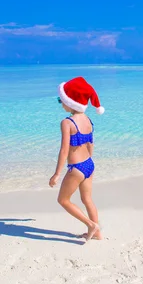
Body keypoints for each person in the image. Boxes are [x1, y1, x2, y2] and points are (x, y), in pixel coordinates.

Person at [49, 77, 105, 241]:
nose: (61, 104)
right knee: (87, 199)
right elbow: (91, 144)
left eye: (61, 100)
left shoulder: (67, 123)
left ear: (71, 102)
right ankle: (98, 234)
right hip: (89, 165)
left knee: (63, 200)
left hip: (77, 168)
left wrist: (57, 174)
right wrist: (88, 162)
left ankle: (91, 225)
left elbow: (64, 150)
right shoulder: (88, 120)